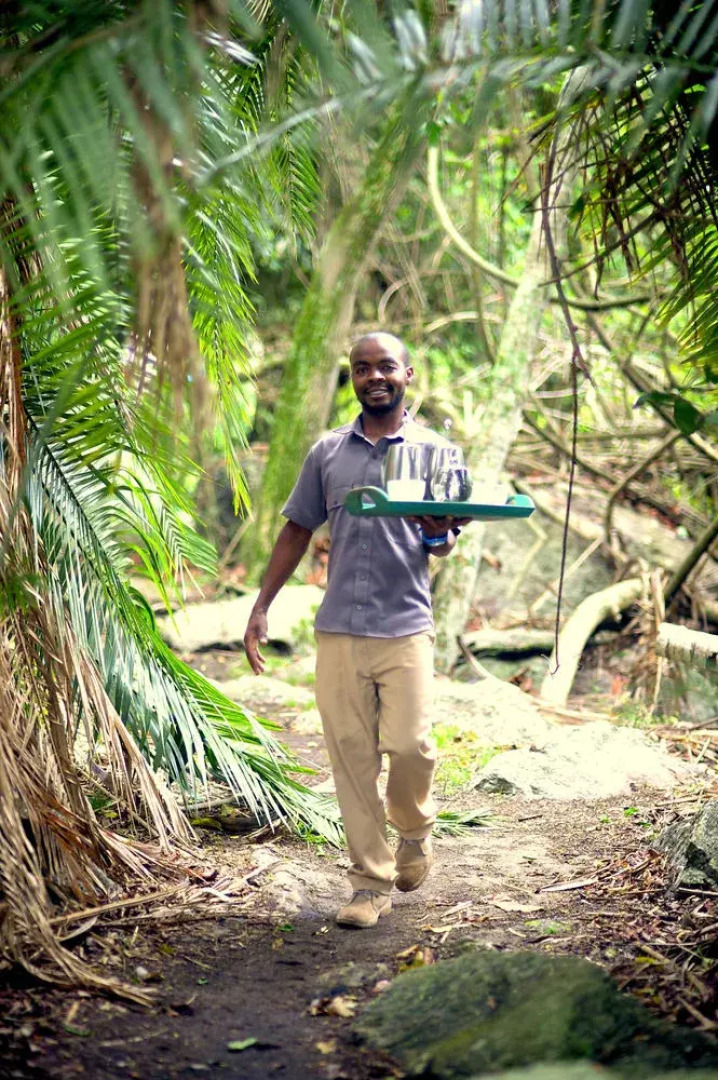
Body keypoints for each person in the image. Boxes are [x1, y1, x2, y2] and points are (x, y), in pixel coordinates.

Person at [243, 331, 469, 929]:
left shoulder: (436, 451)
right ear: (352, 378)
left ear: (408, 375)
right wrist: (262, 604)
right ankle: (369, 883)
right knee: (352, 759)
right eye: (362, 367)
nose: (375, 376)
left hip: (404, 627)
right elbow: (296, 530)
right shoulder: (327, 453)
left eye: (386, 367)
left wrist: (436, 527)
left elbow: (445, 540)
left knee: (411, 746)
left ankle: (415, 832)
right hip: (338, 628)